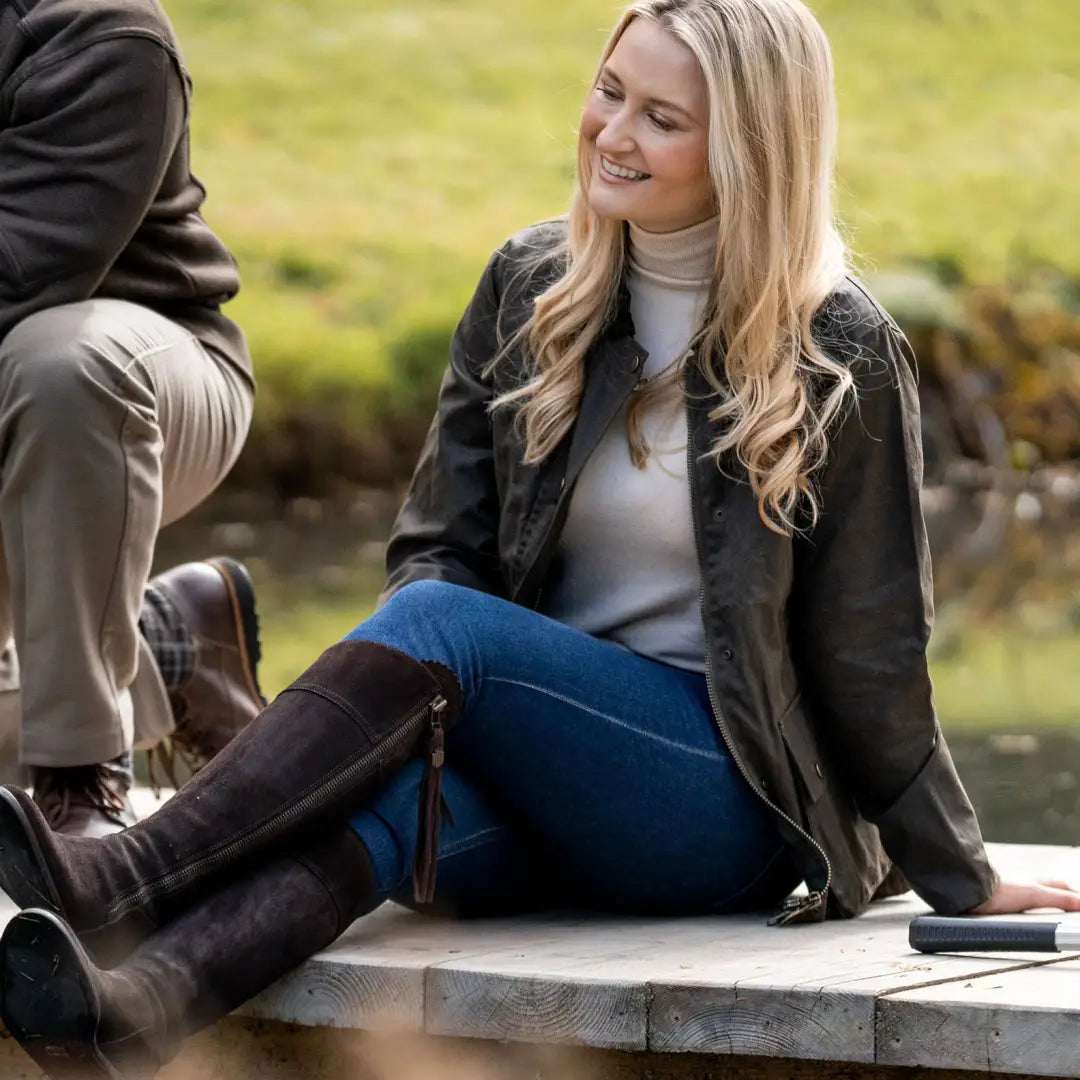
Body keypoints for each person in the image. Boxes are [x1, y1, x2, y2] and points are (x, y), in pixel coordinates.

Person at [0, 0, 1077, 1076]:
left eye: (662, 117)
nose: (613, 133)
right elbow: (440, 549)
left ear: (749, 146)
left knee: (439, 628)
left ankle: (123, 876)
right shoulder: (531, 288)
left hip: (722, 798)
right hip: (543, 771)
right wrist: (415, 729)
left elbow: (871, 653)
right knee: (391, 804)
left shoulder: (840, 349)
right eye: (610, 92)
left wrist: (959, 870)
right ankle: (132, 1009)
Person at [0, 0, 262, 835]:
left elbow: (17, 281)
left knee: (58, 363)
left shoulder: (102, 34)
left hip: (131, 378)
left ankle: (79, 775)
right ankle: (170, 644)